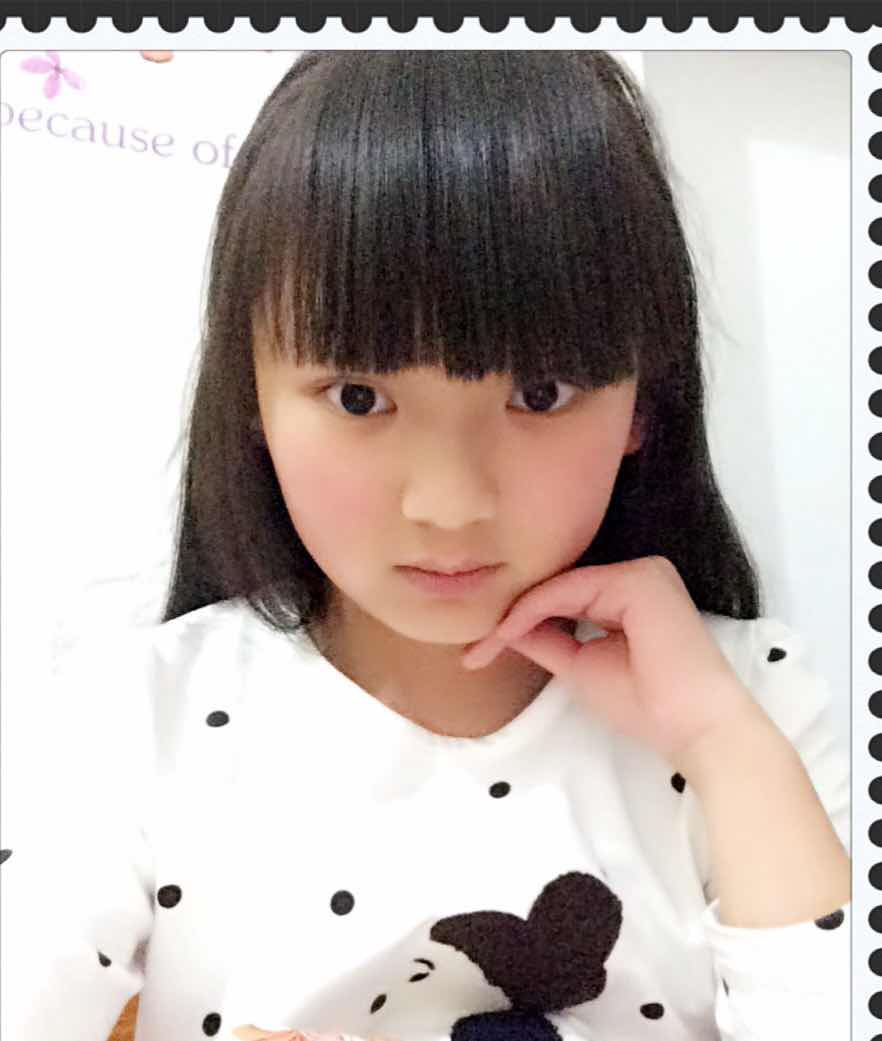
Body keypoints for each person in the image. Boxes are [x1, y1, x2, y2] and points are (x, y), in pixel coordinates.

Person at [1, 51, 850, 1041]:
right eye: (360, 397)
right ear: (252, 400)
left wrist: (719, 743)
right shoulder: (136, 718)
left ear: (643, 406)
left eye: (540, 393)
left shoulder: (753, 705)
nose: (449, 506)